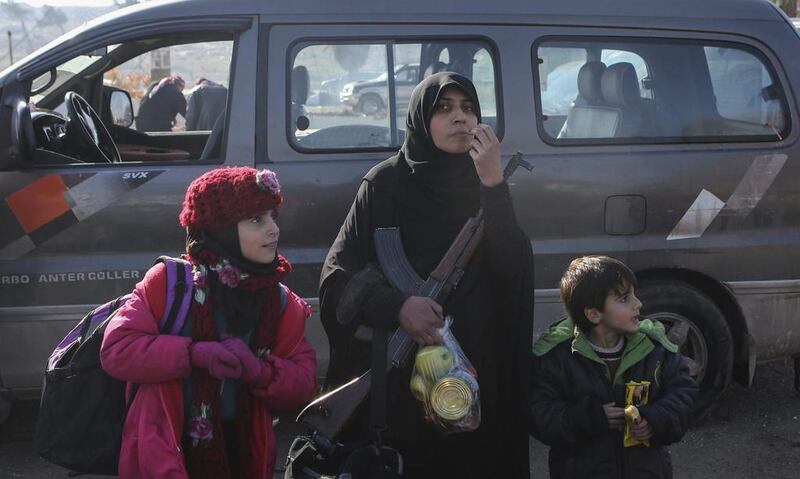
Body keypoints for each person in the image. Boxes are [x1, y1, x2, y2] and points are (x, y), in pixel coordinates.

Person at [319, 72, 534, 478]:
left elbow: (512, 271)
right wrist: (398, 307)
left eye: (468, 108)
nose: (460, 119)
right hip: (399, 389)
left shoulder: (487, 184)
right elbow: (337, 281)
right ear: (420, 117)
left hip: (472, 379)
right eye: (445, 108)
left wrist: (493, 183)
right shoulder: (385, 185)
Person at [101, 166, 317, 478]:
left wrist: (259, 372)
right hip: (166, 452)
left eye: (273, 216)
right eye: (257, 220)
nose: (273, 230)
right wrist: (193, 354)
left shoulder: (279, 300)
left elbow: (303, 384)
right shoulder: (169, 283)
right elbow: (117, 350)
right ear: (220, 230)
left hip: (242, 453)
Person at [530, 255, 697, 478]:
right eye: (624, 298)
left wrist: (655, 419)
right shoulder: (558, 358)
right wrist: (590, 417)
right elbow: (540, 414)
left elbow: (683, 392)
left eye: (634, 295)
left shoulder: (655, 350)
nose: (638, 304)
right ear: (594, 314)